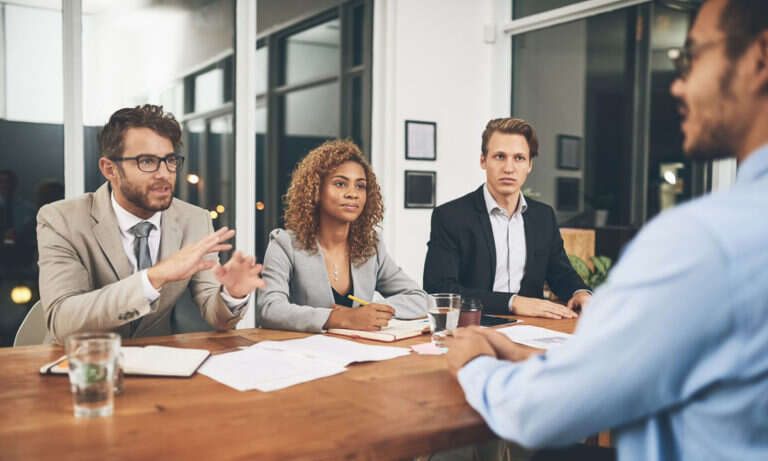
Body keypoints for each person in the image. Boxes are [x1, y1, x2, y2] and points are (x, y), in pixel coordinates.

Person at [446, 0, 768, 459]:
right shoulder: (454, 215)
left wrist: (476, 363)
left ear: (759, 58)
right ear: (484, 161)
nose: (677, 84)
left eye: (690, 57)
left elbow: (539, 411)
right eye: (500, 157)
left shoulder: (704, 240)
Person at [38, 105, 265, 344]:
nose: (164, 174)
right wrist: (154, 277)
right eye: (147, 161)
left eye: (170, 161)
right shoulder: (61, 220)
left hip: (157, 358)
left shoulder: (195, 220)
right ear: (110, 169)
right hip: (80, 359)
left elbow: (217, 316)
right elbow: (62, 321)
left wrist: (232, 294)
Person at [423, 117, 590, 319]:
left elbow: (560, 273)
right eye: (500, 156)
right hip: (474, 327)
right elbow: (439, 288)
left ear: (529, 164)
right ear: (483, 161)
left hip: (533, 327)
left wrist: (579, 292)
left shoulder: (543, 216)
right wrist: (512, 302)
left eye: (519, 158)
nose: (509, 168)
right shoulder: (450, 216)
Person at [257, 140, 427, 332]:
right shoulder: (284, 244)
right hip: (299, 348)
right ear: (316, 191)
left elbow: (419, 298)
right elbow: (270, 309)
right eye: (340, 184)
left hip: (357, 348)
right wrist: (338, 318)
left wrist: (371, 312)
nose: (352, 194)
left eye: (360, 186)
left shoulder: (371, 246)